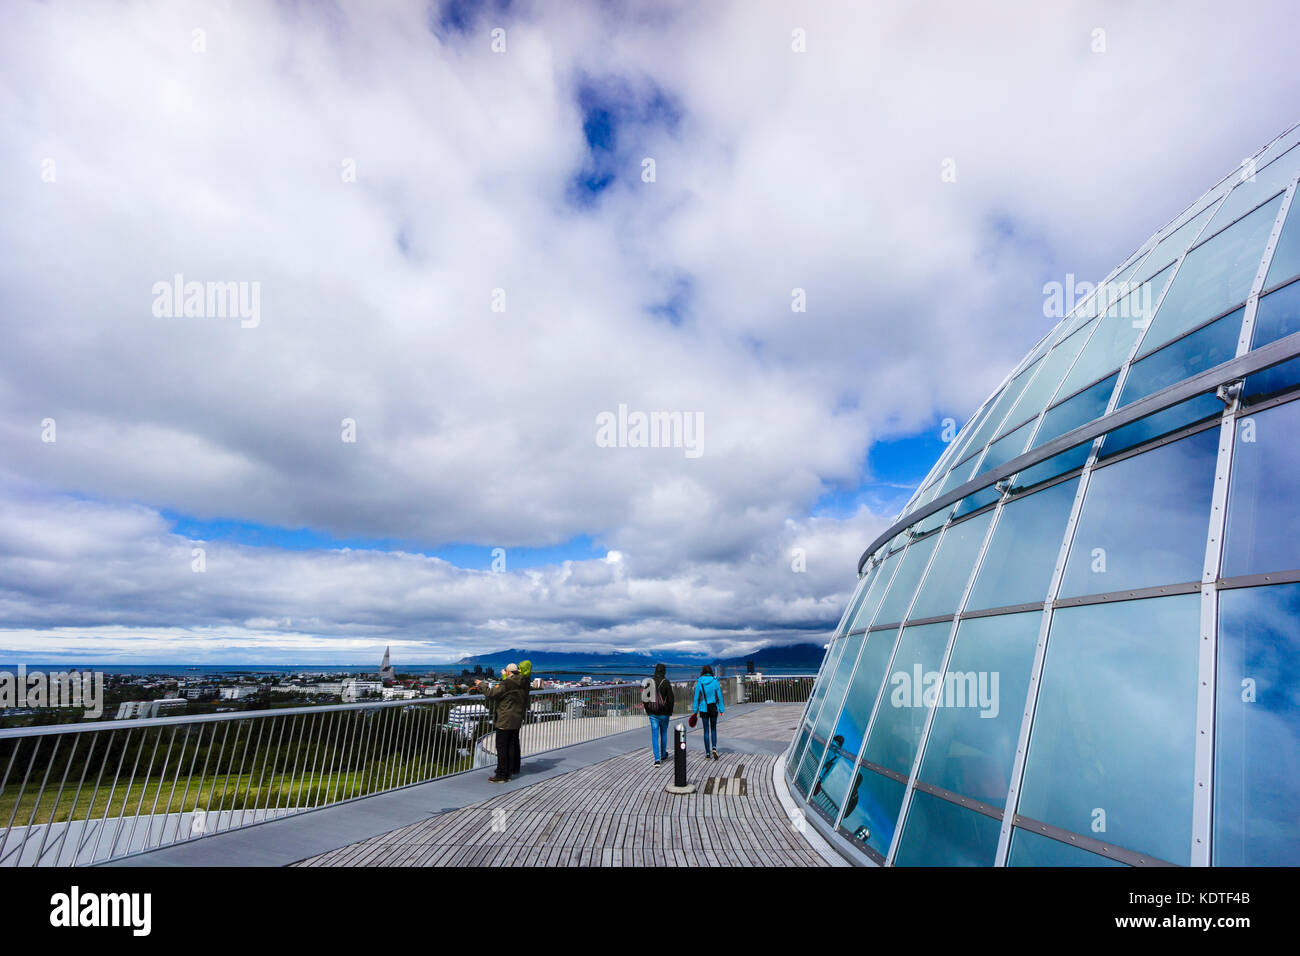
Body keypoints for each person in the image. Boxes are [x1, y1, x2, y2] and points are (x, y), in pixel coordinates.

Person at [476, 664, 525, 783]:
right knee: (511, 746)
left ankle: (501, 775)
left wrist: (481, 684)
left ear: (508, 672)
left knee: (502, 747)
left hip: (504, 719)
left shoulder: (506, 683)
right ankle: (509, 771)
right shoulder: (524, 682)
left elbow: (491, 694)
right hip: (516, 718)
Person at [642, 663, 675, 767]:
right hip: (664, 713)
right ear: (664, 671)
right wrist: (669, 712)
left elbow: (644, 698)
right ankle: (663, 754)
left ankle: (657, 759)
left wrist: (649, 710)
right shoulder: (666, 683)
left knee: (654, 735)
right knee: (664, 733)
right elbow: (671, 699)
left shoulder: (649, 682)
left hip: (653, 714)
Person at [692, 665, 724, 760]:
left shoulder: (699, 682)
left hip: (703, 709)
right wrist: (721, 709)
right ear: (711, 672)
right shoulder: (715, 681)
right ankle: (714, 748)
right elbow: (720, 696)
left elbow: (696, 697)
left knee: (706, 731)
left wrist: (695, 711)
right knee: (713, 729)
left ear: (703, 672)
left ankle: (707, 754)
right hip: (713, 707)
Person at [513, 660, 533, 777]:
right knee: (515, 740)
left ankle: (513, 767)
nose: (518, 670)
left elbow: (510, 683)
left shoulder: (522, 680)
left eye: (520, 668)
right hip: (520, 712)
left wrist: (506, 675)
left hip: (515, 712)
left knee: (512, 741)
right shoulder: (527, 679)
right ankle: (516, 766)